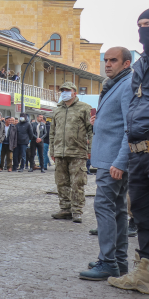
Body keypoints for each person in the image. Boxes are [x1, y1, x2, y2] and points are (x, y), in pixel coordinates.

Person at [77, 47, 133, 280]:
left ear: (126, 64)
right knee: (118, 210)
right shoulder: (115, 84)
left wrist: (120, 161)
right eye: (106, 60)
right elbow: (116, 122)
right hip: (110, 159)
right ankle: (119, 261)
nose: (108, 64)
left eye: (113, 60)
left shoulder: (127, 85)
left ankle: (108, 261)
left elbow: (131, 127)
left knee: (104, 207)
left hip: (114, 161)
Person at [108, 12, 149, 292]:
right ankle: (144, 273)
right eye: (141, 27)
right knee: (143, 215)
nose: (143, 32)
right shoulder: (140, 66)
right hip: (139, 153)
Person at [50, 82, 93, 223]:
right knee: (61, 183)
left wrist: (90, 150)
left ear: (74, 92)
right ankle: (65, 209)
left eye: (67, 90)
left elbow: (91, 130)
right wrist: (52, 150)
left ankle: (77, 211)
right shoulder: (57, 110)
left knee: (77, 184)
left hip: (78, 152)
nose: (64, 92)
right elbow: (52, 132)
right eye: (62, 90)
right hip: (60, 152)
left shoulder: (84, 108)